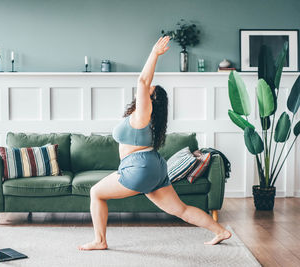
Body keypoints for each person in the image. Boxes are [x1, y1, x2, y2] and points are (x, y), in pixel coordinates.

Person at [78, 36, 231, 251]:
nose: (146, 89)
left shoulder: (144, 114)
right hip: (154, 166)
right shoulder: (148, 121)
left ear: (152, 100)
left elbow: (142, 81)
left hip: (138, 167)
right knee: (182, 210)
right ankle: (220, 231)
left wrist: (154, 53)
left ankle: (100, 241)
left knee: (96, 192)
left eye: (151, 90)